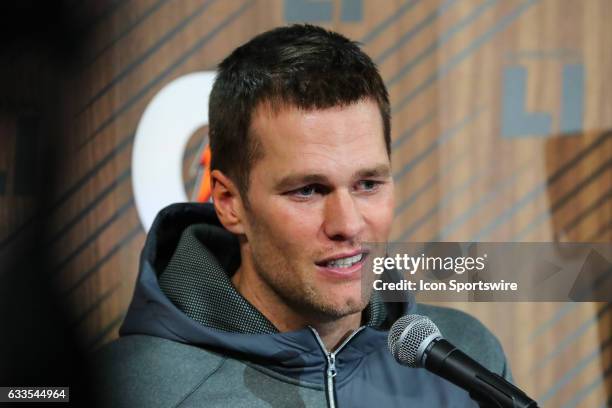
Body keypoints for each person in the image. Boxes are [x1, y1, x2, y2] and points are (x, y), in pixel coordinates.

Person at [94, 24, 512, 407]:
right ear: (228, 201)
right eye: (308, 190)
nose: (347, 225)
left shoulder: (467, 358)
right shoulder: (130, 387)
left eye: (368, 184)